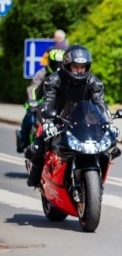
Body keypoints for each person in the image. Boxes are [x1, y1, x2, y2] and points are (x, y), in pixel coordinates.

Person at [26, 45, 111, 187]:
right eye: (76, 66)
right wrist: (48, 122)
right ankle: (36, 176)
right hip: (58, 119)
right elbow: (48, 103)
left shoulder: (94, 82)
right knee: (38, 147)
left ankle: (96, 180)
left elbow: (100, 103)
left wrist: (108, 123)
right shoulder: (53, 80)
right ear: (67, 65)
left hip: (83, 122)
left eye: (82, 67)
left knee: (110, 146)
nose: (79, 70)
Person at [17, 48, 65, 153]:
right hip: (41, 103)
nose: (57, 67)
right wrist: (33, 102)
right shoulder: (41, 73)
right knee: (30, 118)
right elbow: (32, 88)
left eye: (60, 63)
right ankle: (23, 141)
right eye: (55, 63)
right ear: (49, 62)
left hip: (59, 106)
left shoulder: (66, 75)